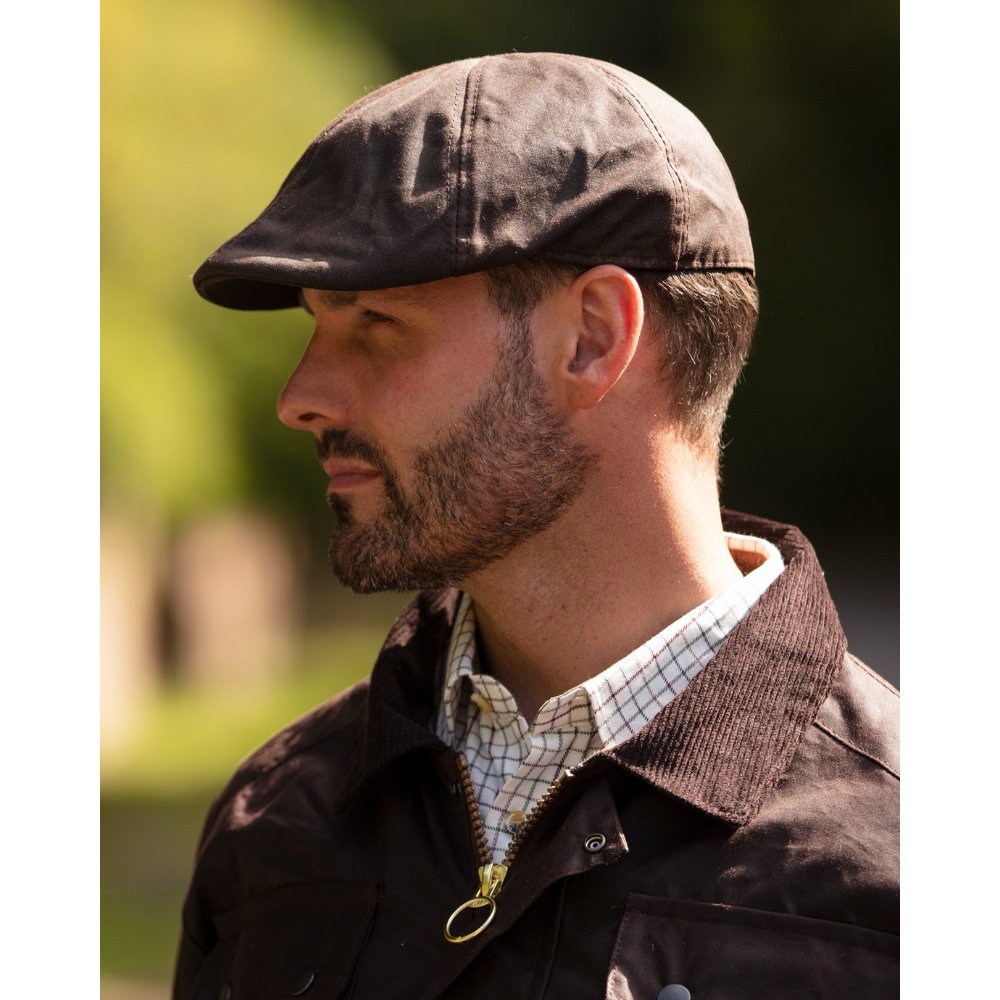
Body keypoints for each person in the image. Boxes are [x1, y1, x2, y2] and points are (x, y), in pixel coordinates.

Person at [174, 53, 898, 999]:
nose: (300, 396)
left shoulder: (912, 865)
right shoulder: (274, 822)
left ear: (594, 336)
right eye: (313, 326)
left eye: (374, 324)